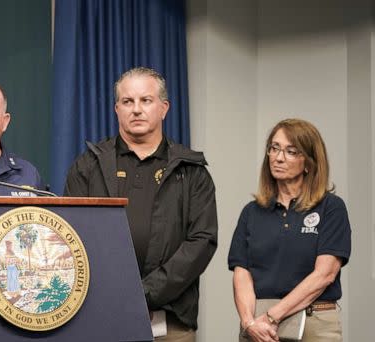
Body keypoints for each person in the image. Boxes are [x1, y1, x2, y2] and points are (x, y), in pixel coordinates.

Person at [64, 67, 218, 341]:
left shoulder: (192, 170)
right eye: (127, 101)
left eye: (145, 100)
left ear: (164, 108)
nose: (136, 109)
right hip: (101, 314)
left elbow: (201, 241)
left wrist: (144, 293)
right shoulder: (88, 165)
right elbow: (70, 237)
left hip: (171, 322)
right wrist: (114, 294)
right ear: (116, 109)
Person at [228, 119, 351, 342]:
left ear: (309, 164)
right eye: (274, 148)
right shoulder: (252, 212)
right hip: (258, 327)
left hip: (314, 322)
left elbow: (325, 275)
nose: (279, 157)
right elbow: (241, 274)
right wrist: (249, 322)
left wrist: (272, 317)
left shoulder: (331, 207)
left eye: (291, 151)